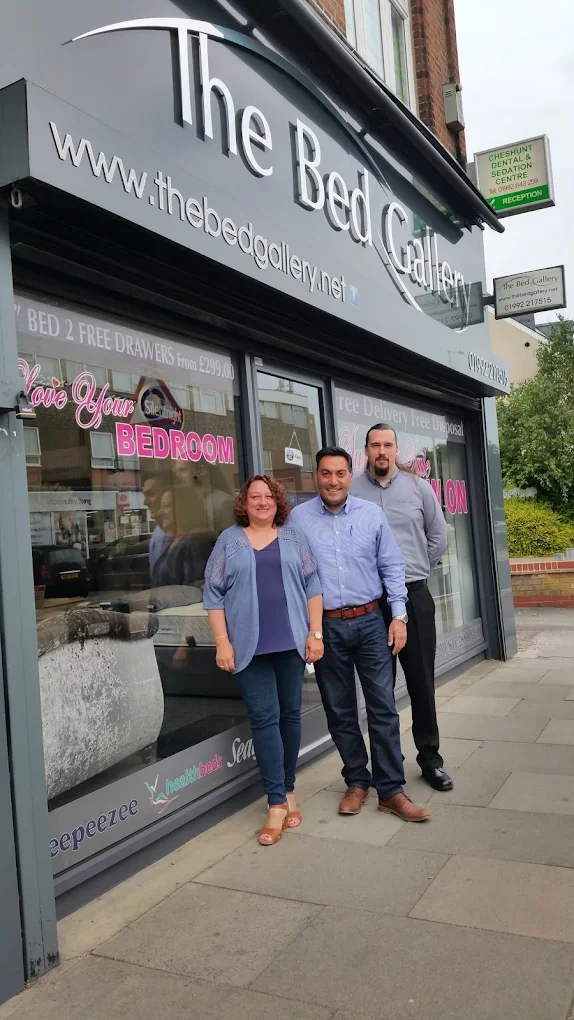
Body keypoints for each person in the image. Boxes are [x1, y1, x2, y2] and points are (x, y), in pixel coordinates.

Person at [292, 447, 430, 822]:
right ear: (316, 476)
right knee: (339, 710)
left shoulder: (372, 515)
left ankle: (391, 791)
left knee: (382, 708)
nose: (333, 481)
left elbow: (392, 566)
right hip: (327, 626)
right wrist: (309, 630)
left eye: (339, 473)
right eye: (325, 473)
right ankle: (356, 781)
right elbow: (293, 576)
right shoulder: (298, 520)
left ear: (350, 476)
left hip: (371, 622)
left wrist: (398, 617)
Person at [203, 475, 323, 846]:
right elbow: (213, 594)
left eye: (268, 496)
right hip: (248, 647)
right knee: (264, 719)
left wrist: (314, 633)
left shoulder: (292, 535)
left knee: (289, 716)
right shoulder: (229, 540)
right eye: (254, 496)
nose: (261, 502)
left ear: (277, 501)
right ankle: (275, 803)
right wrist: (222, 643)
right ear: (244, 502)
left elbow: (312, 584)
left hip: (289, 642)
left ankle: (288, 791)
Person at [351, 423, 451, 791]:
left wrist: (413, 568)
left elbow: (439, 535)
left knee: (422, 682)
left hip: (413, 595)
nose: (382, 451)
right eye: (375, 445)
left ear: (396, 450)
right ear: (366, 449)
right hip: (370, 602)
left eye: (388, 445)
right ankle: (388, 767)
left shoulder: (418, 487)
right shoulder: (352, 490)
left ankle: (431, 760)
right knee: (380, 689)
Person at [142, 472, 172, 571]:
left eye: (151, 494)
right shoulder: (157, 533)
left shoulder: (191, 538)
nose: (145, 502)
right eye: (145, 495)